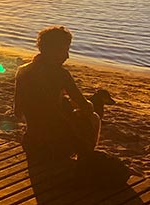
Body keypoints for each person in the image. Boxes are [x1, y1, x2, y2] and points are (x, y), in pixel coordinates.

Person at [14, 26, 100, 161]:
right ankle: (85, 157)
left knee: (65, 108)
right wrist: (87, 105)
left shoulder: (22, 71)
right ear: (52, 51)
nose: (67, 56)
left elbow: (17, 111)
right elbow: (84, 106)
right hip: (55, 146)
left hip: (32, 143)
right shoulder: (62, 74)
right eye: (64, 50)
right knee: (93, 118)